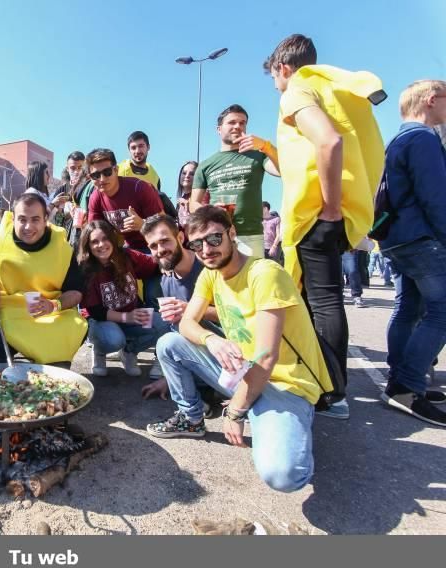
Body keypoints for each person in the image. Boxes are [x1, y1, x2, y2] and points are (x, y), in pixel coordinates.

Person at [148, 206, 333, 492]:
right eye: (197, 244)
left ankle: (283, 422)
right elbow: (186, 324)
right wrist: (212, 340)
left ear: (232, 234)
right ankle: (193, 419)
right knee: (170, 343)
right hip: (242, 372)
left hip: (282, 384)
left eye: (214, 239)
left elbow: (267, 356)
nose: (206, 250)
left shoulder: (264, 273)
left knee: (283, 475)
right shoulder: (211, 274)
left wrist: (235, 411)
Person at [264, 34, 385, 419]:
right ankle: (331, 386)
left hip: (316, 217)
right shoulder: (329, 89)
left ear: (282, 68)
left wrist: (330, 207)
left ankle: (332, 393)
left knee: (323, 303)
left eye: (274, 78)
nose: (276, 86)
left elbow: (329, 142)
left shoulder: (296, 91)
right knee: (325, 300)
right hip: (335, 216)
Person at [378, 79, 446, 427]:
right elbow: (435, 195)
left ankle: (399, 379)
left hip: (397, 238)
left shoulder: (398, 139)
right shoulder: (423, 138)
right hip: (422, 236)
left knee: (408, 308)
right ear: (432, 99)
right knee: (441, 310)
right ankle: (407, 385)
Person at [0, 192, 86, 365]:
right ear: (13, 219)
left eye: (35, 219)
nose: (28, 227)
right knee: (0, 341)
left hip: (51, 309)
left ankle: (55, 365)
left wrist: (53, 305)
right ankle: (7, 361)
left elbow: (76, 292)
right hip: (11, 310)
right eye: (22, 219)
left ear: (45, 219)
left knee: (76, 327)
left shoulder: (62, 248)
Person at [139, 214, 221, 401]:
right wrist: (169, 378)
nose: (160, 250)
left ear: (181, 238)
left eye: (165, 241)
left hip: (235, 350)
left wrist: (190, 310)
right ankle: (199, 394)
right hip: (206, 353)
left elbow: (241, 317)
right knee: (168, 330)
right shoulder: (167, 281)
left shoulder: (208, 265)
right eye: (153, 246)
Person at [78, 220, 169, 377]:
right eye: (94, 242)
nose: (101, 245)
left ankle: (128, 351)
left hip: (132, 315)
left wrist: (170, 265)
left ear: (113, 239)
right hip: (103, 321)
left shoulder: (126, 256)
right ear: (88, 246)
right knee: (114, 340)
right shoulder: (86, 269)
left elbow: (153, 264)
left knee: (164, 323)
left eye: (105, 238)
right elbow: (96, 311)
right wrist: (126, 317)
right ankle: (99, 350)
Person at [190, 104, 280, 258]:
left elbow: (282, 170)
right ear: (219, 129)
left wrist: (266, 146)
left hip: (250, 237)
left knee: (250, 281)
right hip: (217, 236)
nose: (238, 126)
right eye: (232, 122)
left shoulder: (258, 156)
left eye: (242, 123)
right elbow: (193, 204)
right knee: (221, 281)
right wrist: (210, 210)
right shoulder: (206, 165)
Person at [86, 148, 164, 253]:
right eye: (96, 175)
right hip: (125, 249)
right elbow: (94, 233)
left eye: (107, 172)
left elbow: (165, 225)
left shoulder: (139, 188)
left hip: (154, 247)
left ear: (116, 170)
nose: (102, 179)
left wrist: (143, 224)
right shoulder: (95, 197)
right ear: (90, 178)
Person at [118, 131, 177, 219]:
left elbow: (157, 204)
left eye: (141, 146)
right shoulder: (118, 170)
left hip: (148, 224)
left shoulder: (154, 175)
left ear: (148, 147)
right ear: (129, 151)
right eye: (133, 148)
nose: (137, 151)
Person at [49, 151, 93, 245]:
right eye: (73, 168)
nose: (76, 171)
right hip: (64, 237)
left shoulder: (90, 186)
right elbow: (53, 216)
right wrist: (57, 206)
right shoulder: (62, 190)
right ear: (68, 169)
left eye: (80, 167)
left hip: (85, 235)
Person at [175, 160, 197, 227]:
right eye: (184, 173)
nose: (187, 176)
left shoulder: (201, 197)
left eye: (192, 174)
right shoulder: (180, 201)